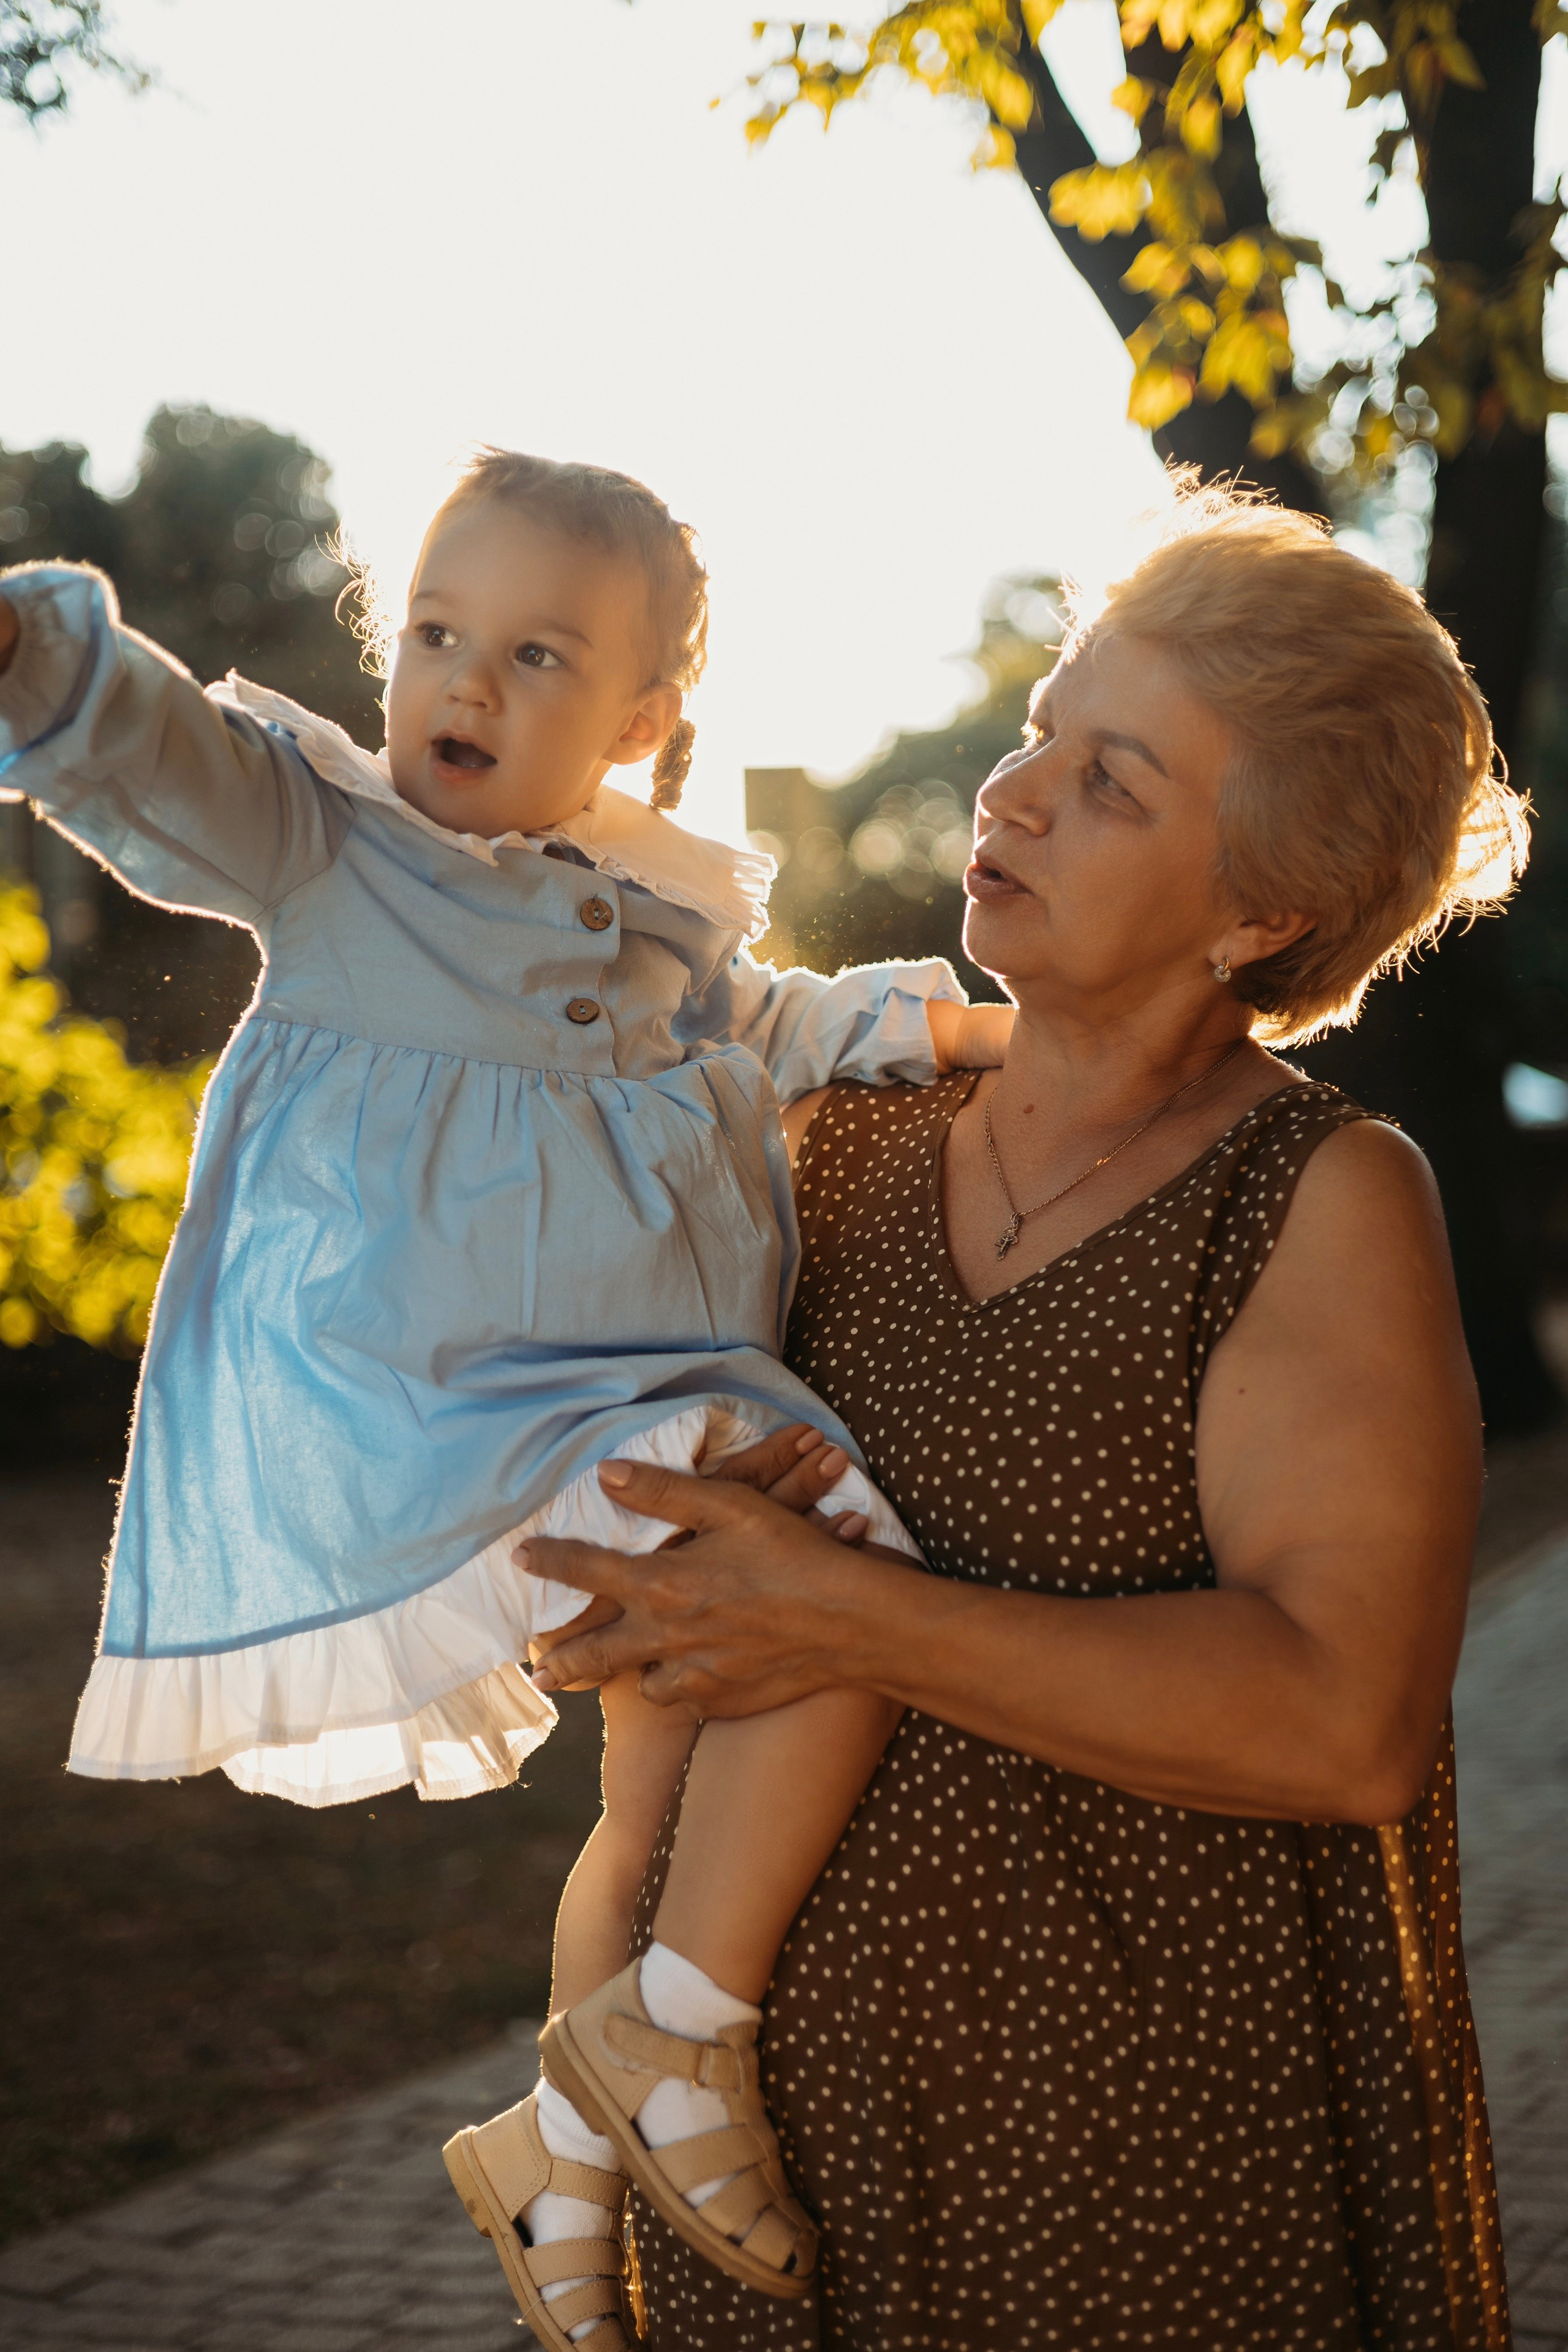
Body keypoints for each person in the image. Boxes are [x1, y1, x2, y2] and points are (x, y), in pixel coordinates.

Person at [0, 450, 1014, 2352]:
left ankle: (560, 2162)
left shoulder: (656, 919)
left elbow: (771, 1022)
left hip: (629, 1400)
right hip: (460, 1405)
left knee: (659, 1796)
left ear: (638, 724)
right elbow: (162, 758)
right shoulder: (331, 844)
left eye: (538, 655)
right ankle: (681, 2033)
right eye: (438, 636)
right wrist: (36, 660)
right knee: (846, 1585)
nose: (466, 683)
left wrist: (956, 1027)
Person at [524, 486, 1524, 2350]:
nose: (1015, 791)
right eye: (1043, 730)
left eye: (1113, 782)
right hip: (751, 2159)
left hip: (1127, 2183)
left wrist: (850, 1614)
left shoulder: (1316, 1195)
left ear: (1265, 911)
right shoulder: (826, 1145)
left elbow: (1346, 1723)